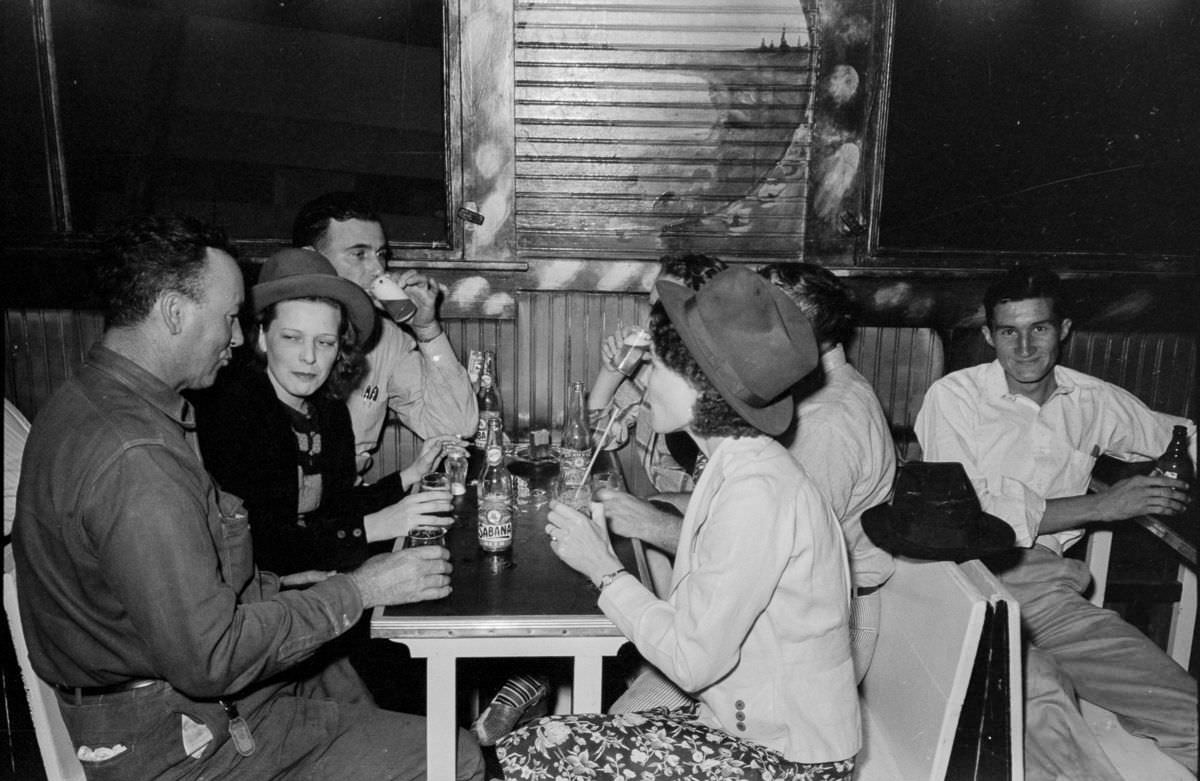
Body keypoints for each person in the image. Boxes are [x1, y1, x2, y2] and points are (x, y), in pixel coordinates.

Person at [12, 214, 484, 780]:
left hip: (166, 704)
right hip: (178, 738)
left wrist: (287, 586)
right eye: (231, 319)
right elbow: (212, 660)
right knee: (451, 755)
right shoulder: (138, 458)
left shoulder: (93, 403)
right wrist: (361, 587)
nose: (236, 339)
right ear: (174, 313)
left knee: (350, 681)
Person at [499, 267, 860, 780]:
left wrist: (604, 569)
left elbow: (693, 662)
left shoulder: (757, 490)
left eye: (657, 364)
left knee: (540, 746)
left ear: (703, 387)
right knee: (557, 735)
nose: (644, 377)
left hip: (792, 759)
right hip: (749, 726)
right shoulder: (739, 461)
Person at [914, 266, 1197, 780]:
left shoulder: (1091, 399)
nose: (1023, 347)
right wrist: (1102, 506)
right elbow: (969, 517)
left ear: (1063, 330)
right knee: (1042, 704)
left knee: (1186, 711)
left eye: (1038, 328)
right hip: (972, 583)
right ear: (988, 336)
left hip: (1050, 591)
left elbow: (1180, 439)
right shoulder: (954, 398)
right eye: (1007, 332)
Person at [760, 262, 896, 682]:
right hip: (803, 604)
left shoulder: (825, 419)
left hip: (826, 633)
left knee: (626, 716)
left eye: (763, 319)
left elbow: (773, 554)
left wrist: (651, 522)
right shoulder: (806, 391)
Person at [292, 192, 477, 476]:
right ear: (311, 259)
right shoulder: (273, 335)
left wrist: (426, 329)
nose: (378, 268)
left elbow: (455, 428)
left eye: (381, 254)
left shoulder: (387, 339)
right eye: (359, 254)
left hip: (348, 503)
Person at [588, 254, 727, 495]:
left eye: (664, 310)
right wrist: (611, 372)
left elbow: (722, 501)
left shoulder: (732, 384)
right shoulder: (652, 368)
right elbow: (599, 438)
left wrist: (652, 512)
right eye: (652, 306)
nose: (652, 321)